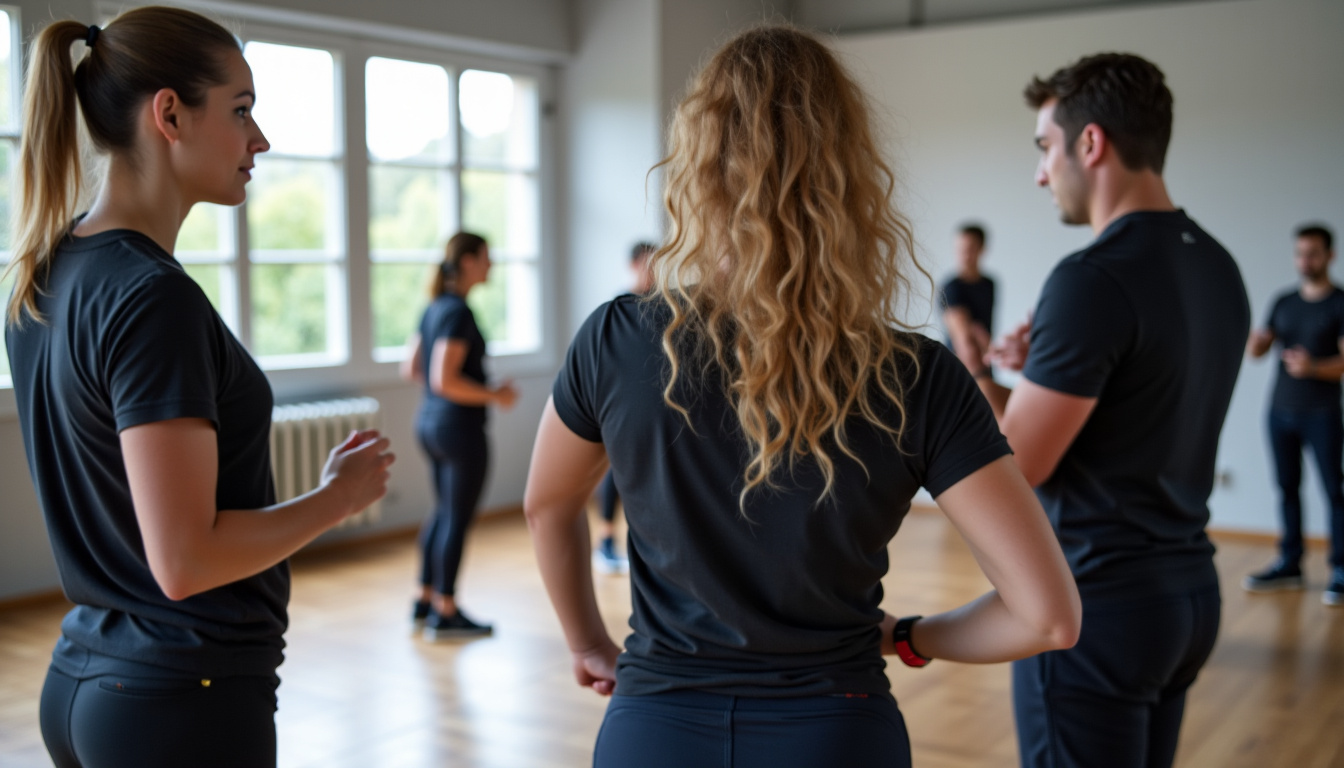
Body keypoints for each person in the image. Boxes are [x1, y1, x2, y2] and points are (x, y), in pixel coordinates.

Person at [524, 26, 1080, 768]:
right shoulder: (917, 374)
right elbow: (1048, 620)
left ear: (698, 166)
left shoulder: (617, 338)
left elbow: (546, 505)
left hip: (653, 728)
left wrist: (588, 639)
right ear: (849, 175)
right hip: (837, 730)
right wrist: (909, 637)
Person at [2, 8, 395, 767]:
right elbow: (184, 561)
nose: (261, 139)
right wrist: (338, 498)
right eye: (242, 109)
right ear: (170, 114)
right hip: (177, 701)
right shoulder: (152, 297)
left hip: (89, 683)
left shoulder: (48, 272)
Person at [961, 53, 1250, 768]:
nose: (1040, 173)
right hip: (1185, 599)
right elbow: (1135, 406)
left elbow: (1020, 464)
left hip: (1100, 605)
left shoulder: (1092, 278)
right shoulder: (1216, 264)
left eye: (1045, 148)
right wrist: (1029, 380)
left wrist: (968, 377)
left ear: (1090, 143)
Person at [400, 232, 518, 640]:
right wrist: (493, 393)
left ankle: (424, 599)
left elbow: (412, 369)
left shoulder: (435, 308)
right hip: (458, 429)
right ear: (467, 261)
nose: (492, 264)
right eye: (487, 257)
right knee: (456, 517)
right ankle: (445, 611)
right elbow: (442, 377)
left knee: (442, 512)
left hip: (431, 424)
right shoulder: (458, 312)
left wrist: (452, 392)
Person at [1243, 224, 1344, 606]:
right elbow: (1258, 351)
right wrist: (1256, 344)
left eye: (1313, 253)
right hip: (1279, 412)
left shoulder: (1338, 303)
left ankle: (1340, 569)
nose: (1305, 260)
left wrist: (1314, 368)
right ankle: (1290, 563)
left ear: (1329, 256)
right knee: (1286, 489)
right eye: (1300, 253)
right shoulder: (1284, 301)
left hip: (1322, 413)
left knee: (1335, 491)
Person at [592, 241, 656, 574]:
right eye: (649, 262)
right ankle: (605, 541)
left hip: (652, 403)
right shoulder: (618, 307)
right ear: (634, 265)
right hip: (622, 401)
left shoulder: (665, 305)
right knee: (615, 472)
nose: (655, 268)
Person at [941, 223, 996, 376]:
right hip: (961, 370)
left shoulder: (989, 284)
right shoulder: (952, 288)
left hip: (984, 365)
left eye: (970, 249)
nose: (964, 255)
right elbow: (963, 341)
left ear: (982, 249)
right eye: (960, 249)